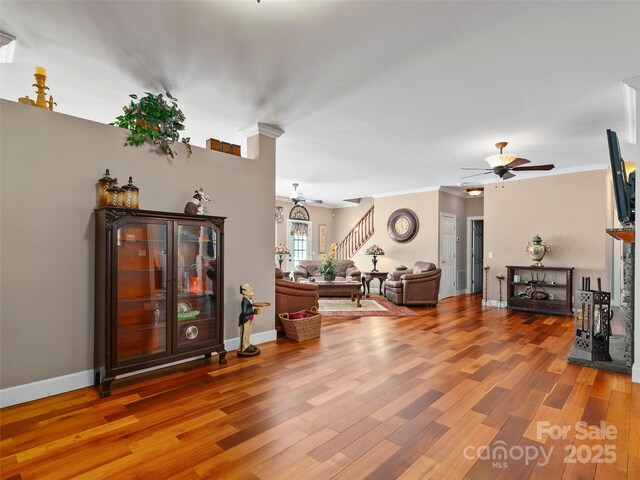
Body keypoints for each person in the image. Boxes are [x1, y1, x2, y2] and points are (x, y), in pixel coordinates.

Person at [238, 283, 261, 357]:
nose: (251, 288)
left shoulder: (249, 299)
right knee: (244, 333)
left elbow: (251, 307)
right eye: (248, 288)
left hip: (249, 318)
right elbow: (244, 312)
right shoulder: (244, 301)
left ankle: (247, 344)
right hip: (245, 319)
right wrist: (253, 311)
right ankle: (244, 347)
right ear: (244, 292)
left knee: (248, 332)